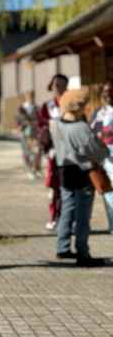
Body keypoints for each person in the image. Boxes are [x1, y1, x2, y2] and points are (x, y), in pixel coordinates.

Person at [52, 88, 108, 266]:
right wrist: (104, 151)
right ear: (78, 106)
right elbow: (96, 151)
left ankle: (62, 247)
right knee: (83, 214)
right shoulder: (80, 127)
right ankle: (83, 252)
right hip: (83, 172)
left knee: (67, 208)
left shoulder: (55, 124)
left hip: (63, 170)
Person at [38, 74, 68, 230]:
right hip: (54, 152)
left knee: (68, 187)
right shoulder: (47, 106)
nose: (58, 88)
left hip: (70, 153)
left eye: (62, 85)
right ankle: (54, 216)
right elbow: (41, 126)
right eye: (56, 85)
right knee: (53, 187)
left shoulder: (70, 104)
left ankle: (68, 218)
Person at [90, 80, 113, 233]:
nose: (107, 94)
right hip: (102, 157)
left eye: (110, 91)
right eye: (104, 92)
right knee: (106, 190)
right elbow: (92, 132)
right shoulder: (98, 112)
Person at [16, 90, 39, 180]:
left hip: (34, 133)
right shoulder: (21, 108)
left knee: (35, 152)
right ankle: (29, 168)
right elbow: (18, 119)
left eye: (33, 96)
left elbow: (39, 119)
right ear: (26, 96)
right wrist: (21, 126)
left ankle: (33, 169)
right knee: (26, 152)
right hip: (24, 133)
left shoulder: (37, 108)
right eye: (30, 96)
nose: (31, 97)